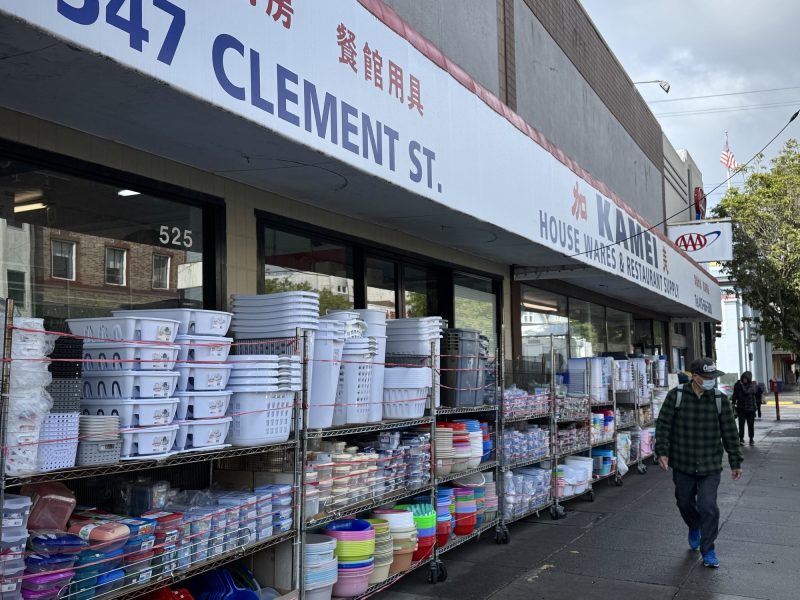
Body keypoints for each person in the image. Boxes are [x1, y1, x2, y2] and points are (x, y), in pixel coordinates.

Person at [655, 357, 743, 569]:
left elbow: (730, 433)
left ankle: (708, 550)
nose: (712, 380)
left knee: (708, 506)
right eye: (707, 377)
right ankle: (694, 525)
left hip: (710, 464)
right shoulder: (676, 396)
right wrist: (662, 453)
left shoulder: (720, 400)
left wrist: (735, 461)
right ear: (694, 377)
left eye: (713, 376)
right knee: (684, 502)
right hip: (683, 461)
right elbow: (664, 426)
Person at [732, 371, 759, 445]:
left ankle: (751, 439)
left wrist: (741, 385)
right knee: (741, 425)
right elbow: (735, 395)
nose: (744, 380)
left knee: (751, 425)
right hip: (741, 408)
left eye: (746, 378)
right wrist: (733, 404)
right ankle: (741, 439)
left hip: (750, 409)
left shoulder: (752, 385)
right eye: (743, 378)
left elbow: (746, 392)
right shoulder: (738, 385)